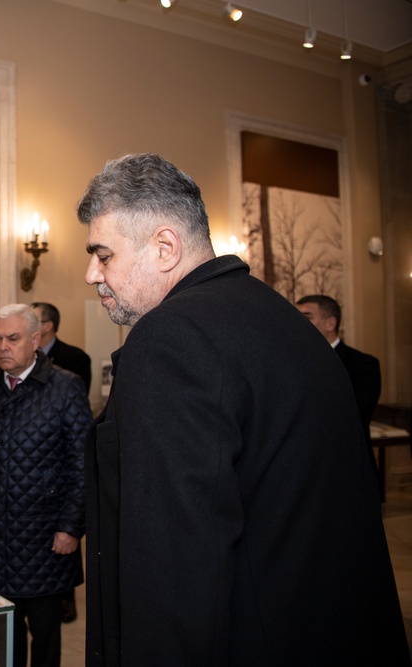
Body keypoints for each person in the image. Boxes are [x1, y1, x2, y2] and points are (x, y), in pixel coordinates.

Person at [77, 153, 409, 665]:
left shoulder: (170, 338)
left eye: (103, 254)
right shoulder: (279, 317)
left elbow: (174, 565)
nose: (90, 274)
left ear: (164, 247)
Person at [0, 304, 92, 667]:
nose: (3, 347)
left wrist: (71, 525)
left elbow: (82, 464)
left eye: (13, 339)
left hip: (45, 539)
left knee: (45, 636)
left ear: (35, 340)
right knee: (5, 631)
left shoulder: (65, 387)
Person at [31, 301, 91, 625]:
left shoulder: (76, 360)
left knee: (60, 558)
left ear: (48, 326)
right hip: (31, 479)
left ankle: (64, 602)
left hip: (58, 473)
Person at [296, 294, 383, 493]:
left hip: (348, 470)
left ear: (331, 323)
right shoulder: (294, 364)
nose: (299, 322)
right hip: (306, 476)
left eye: (307, 317)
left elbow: (356, 416)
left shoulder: (363, 365)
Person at [31, 302, 92, 394]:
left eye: (33, 321)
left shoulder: (76, 357)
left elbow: (76, 395)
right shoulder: (25, 355)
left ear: (48, 326)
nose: (27, 326)